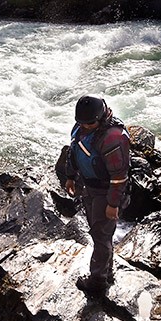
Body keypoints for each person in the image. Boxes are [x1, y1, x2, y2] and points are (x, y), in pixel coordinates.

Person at [58, 95, 130, 298]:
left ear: (101, 117)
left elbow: (119, 176)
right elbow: (73, 151)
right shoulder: (82, 127)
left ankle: (97, 281)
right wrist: (70, 177)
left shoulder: (113, 137)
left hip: (106, 192)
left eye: (89, 123)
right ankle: (107, 271)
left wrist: (113, 204)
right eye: (82, 123)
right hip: (89, 188)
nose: (85, 127)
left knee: (101, 235)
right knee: (99, 233)